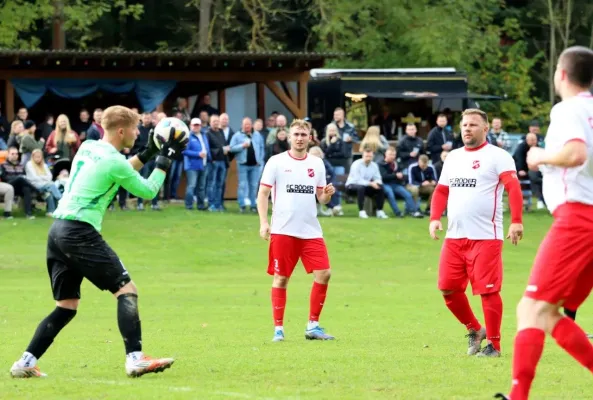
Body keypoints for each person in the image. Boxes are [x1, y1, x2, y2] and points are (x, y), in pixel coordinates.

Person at [9, 105, 189, 379]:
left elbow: (117, 171)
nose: (138, 132)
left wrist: (149, 153)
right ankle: (135, 359)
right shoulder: (114, 161)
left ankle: (25, 362)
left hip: (57, 231)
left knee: (66, 306)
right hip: (79, 233)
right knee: (127, 290)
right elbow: (149, 190)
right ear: (121, 130)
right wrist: (165, 159)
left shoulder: (90, 146)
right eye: (134, 128)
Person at [495, 46, 593, 400]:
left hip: (578, 218)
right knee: (549, 314)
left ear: (562, 74)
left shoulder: (568, 109)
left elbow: (576, 154)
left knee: (531, 308)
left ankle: (518, 397)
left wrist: (538, 156)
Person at [429, 108, 524, 358]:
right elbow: (441, 191)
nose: (467, 129)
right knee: (448, 289)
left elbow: (513, 188)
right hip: (454, 237)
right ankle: (474, 329)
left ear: (485, 128)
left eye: (473, 125)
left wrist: (516, 221)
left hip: (486, 237)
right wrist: (434, 218)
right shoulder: (453, 157)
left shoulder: (498, 156)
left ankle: (494, 345)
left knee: (488, 291)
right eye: (464, 125)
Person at [257, 119, 336, 342]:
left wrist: (327, 194)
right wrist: (264, 222)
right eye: (296, 134)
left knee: (325, 273)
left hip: (311, 230)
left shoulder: (316, 164)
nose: (300, 138)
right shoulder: (276, 162)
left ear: (310, 138)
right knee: (281, 278)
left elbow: (321, 199)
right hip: (283, 230)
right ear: (289, 137)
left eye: (304, 134)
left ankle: (313, 325)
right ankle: (278, 330)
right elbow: (263, 194)